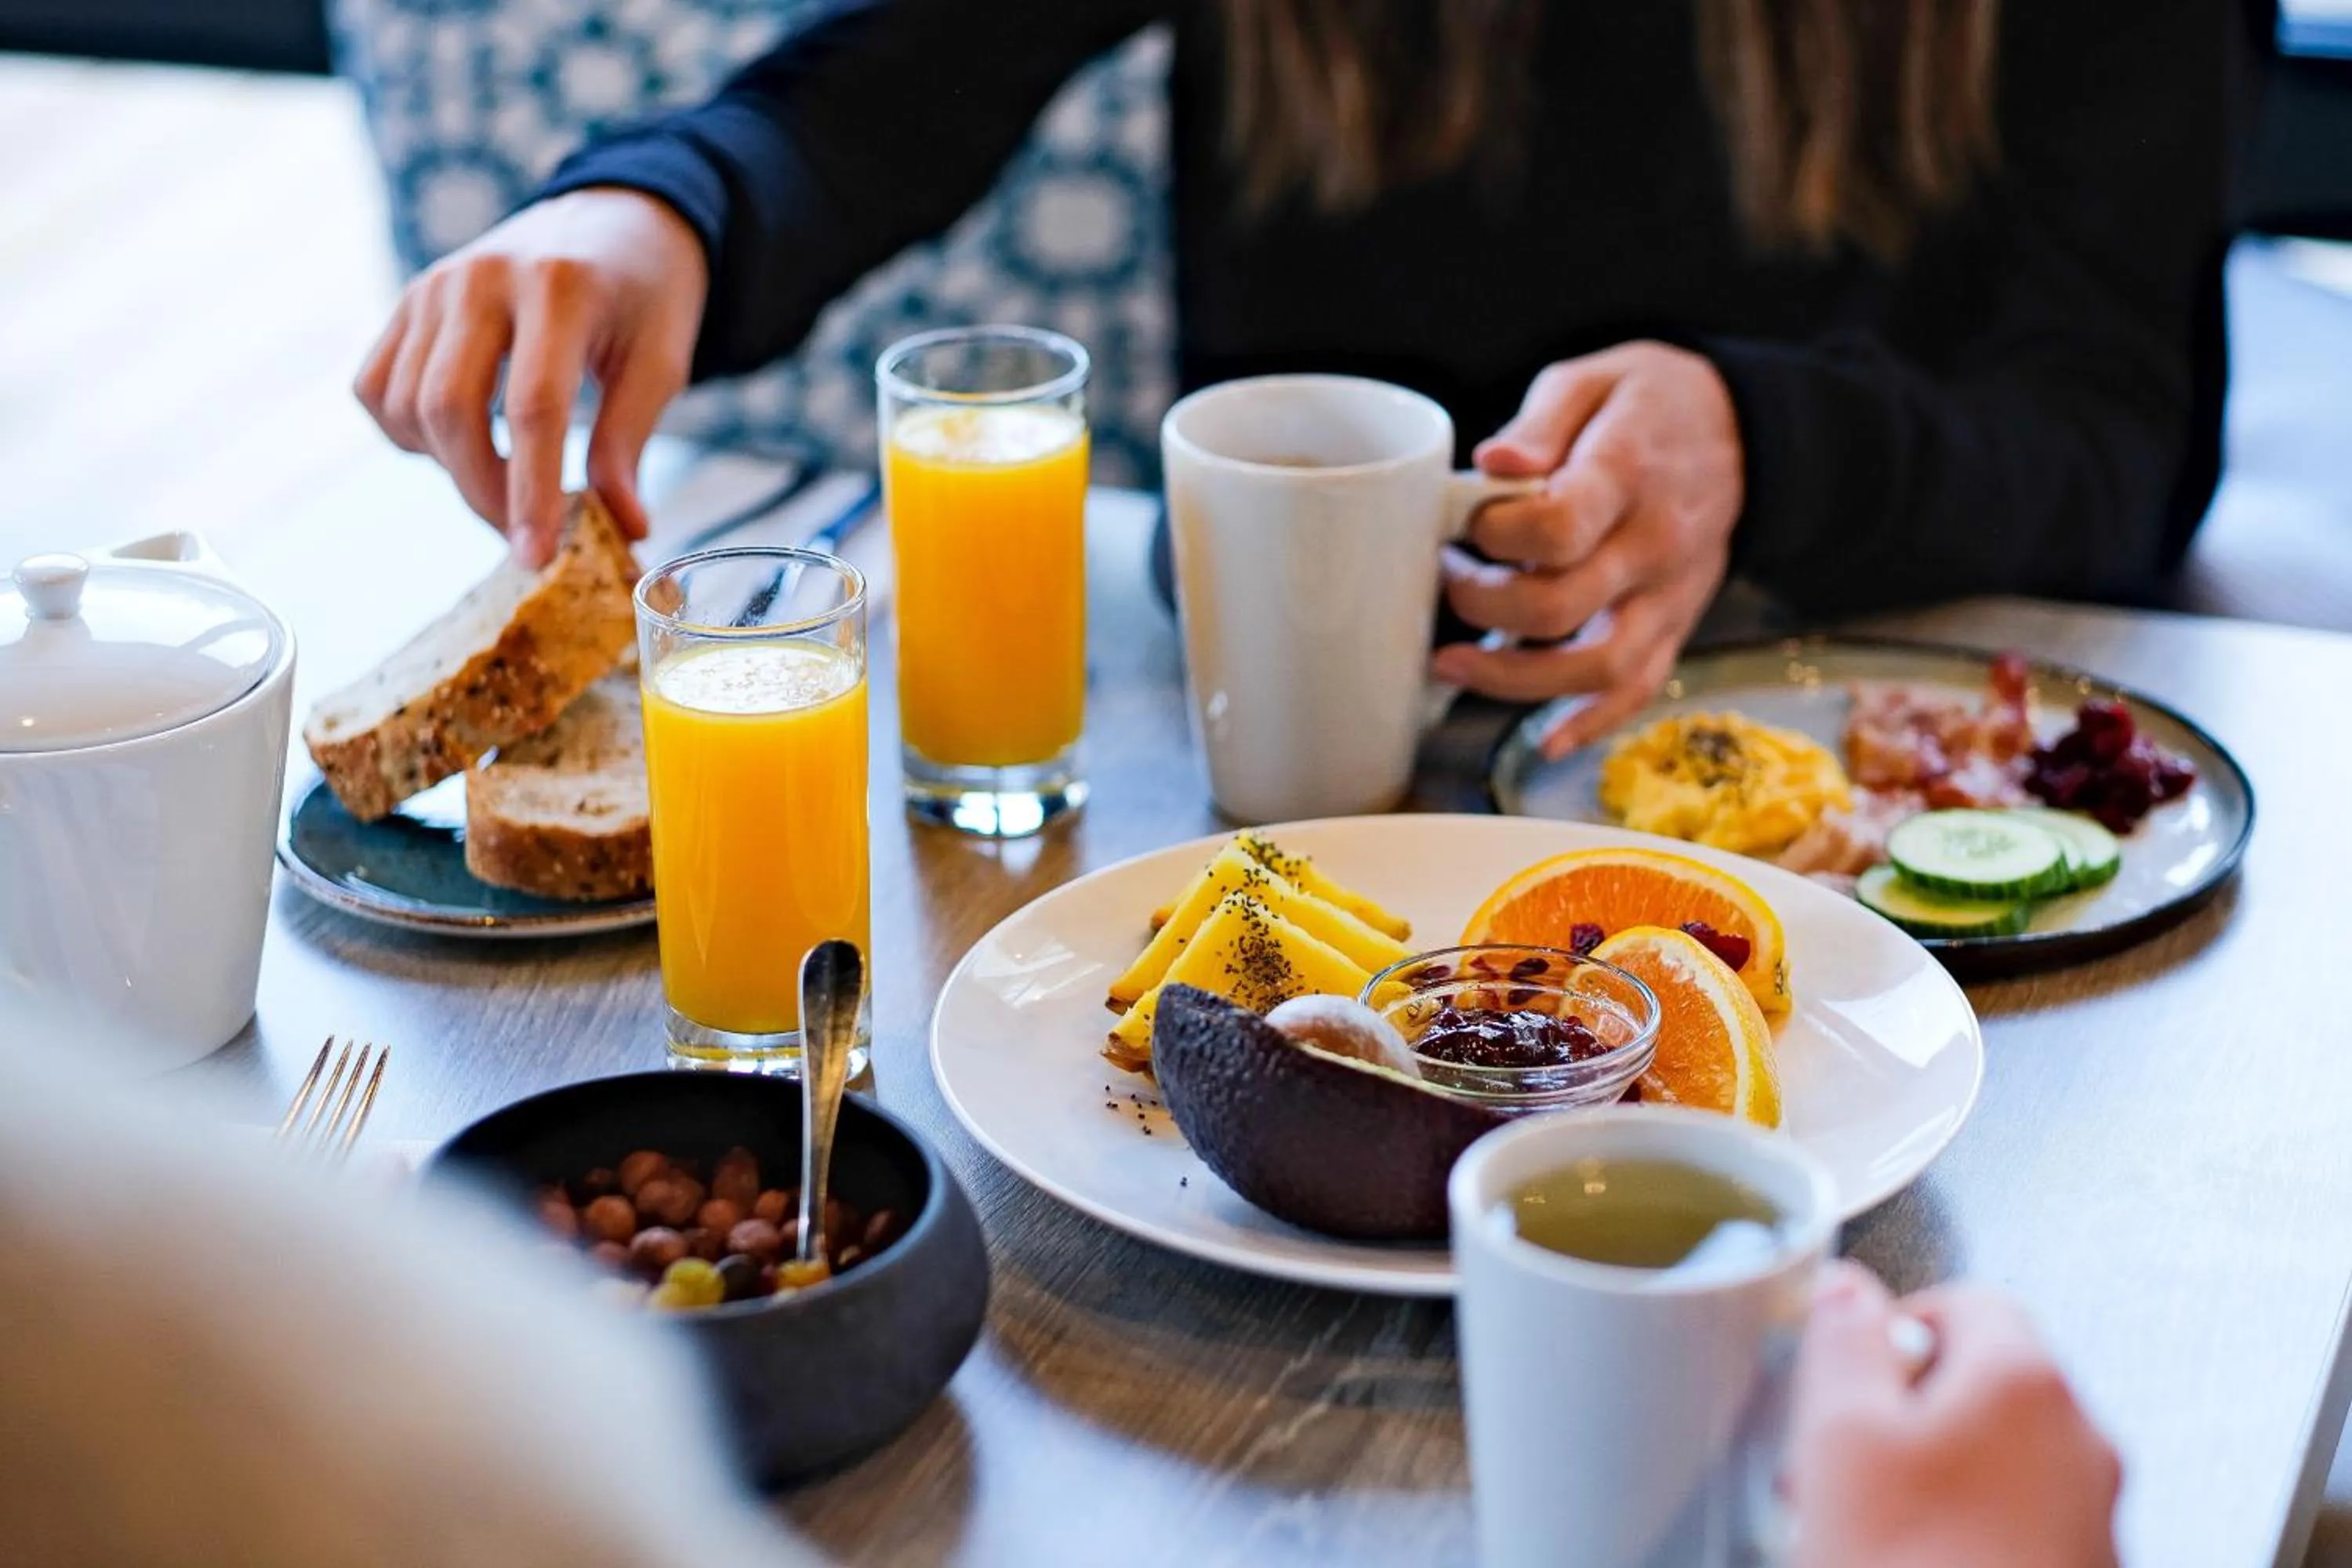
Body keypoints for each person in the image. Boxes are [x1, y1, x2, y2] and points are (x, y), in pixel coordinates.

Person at [355, 0, 2250, 753]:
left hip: (1852, 761)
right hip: (1280, 776)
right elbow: (882, 98)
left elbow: (2111, 428)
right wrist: (651, 212)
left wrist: (1761, 441)